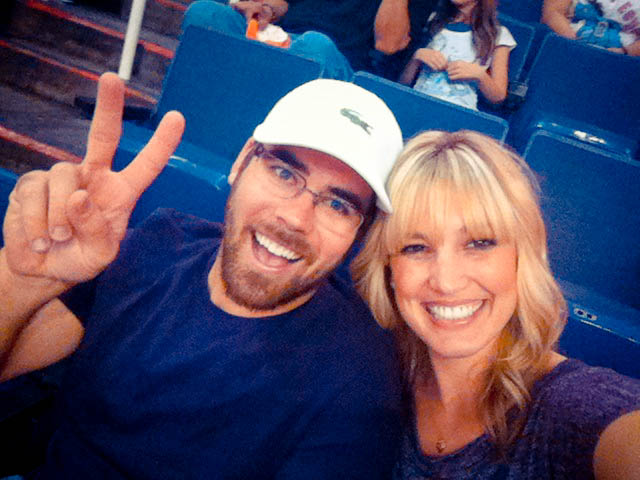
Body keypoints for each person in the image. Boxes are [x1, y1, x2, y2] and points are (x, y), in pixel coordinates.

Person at [0, 73, 406, 478]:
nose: (296, 218)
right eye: (283, 173)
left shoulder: (358, 387)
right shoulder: (156, 245)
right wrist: (23, 282)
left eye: (338, 205)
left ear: (360, 234)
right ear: (242, 162)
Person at [352, 130, 640, 479]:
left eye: (479, 243)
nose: (446, 281)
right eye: (416, 247)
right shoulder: (371, 369)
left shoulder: (574, 404)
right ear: (389, 269)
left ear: (522, 257)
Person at [183, 0, 438, 77]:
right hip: (282, 38)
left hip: (337, 62)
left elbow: (389, 44)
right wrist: (264, 9)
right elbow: (282, 4)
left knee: (314, 46)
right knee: (205, 13)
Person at [398, 0, 515, 111]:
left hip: (459, 111)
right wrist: (417, 58)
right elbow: (402, 84)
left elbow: (498, 96)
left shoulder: (497, 34)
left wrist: (480, 75)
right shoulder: (432, 20)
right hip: (417, 104)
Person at [542, 0, 640, 56]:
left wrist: (624, 52)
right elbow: (552, 12)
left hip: (622, 60)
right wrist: (574, 46)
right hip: (567, 47)